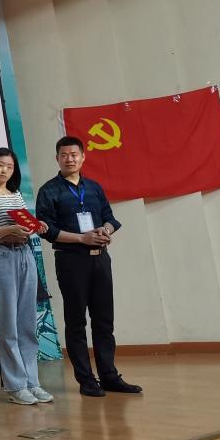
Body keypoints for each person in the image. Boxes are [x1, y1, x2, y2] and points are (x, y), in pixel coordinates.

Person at [35, 137, 142, 397]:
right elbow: (47, 230)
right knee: (76, 322)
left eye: (74, 154)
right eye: (64, 155)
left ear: (83, 157)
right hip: (71, 260)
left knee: (104, 320)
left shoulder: (94, 187)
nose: (69, 159)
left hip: (100, 259)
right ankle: (86, 380)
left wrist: (106, 230)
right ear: (57, 159)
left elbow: (110, 218)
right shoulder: (49, 191)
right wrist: (82, 238)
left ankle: (109, 376)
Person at [0, 147, 53, 405]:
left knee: (27, 323)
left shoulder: (16, 194)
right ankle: (16, 386)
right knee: (7, 324)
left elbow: (25, 225)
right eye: (0, 164)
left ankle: (32, 382)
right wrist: (10, 229)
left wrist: (35, 226)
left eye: (9, 166)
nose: (4, 170)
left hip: (25, 254)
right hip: (2, 256)